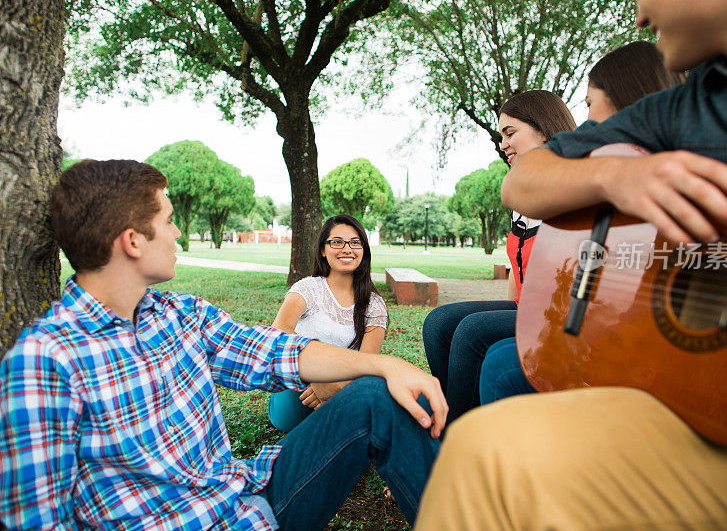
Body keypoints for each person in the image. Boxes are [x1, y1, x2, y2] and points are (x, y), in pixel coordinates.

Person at [415, 0, 727, 528]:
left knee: (492, 359)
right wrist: (619, 175)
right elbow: (523, 181)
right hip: (722, 420)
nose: (640, 13)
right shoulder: (695, 105)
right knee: (483, 450)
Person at [0, 159, 447, 531]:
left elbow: (275, 350)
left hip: (247, 498)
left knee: (374, 395)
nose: (178, 234)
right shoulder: (45, 363)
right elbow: (39, 520)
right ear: (132, 241)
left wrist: (386, 364)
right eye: (169, 221)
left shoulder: (181, 314)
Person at [479, 40, 683, 406]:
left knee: (499, 363)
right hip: (595, 327)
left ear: (626, 98)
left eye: (590, 103)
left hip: (643, 354)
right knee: (470, 335)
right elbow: (516, 187)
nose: (586, 119)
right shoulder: (601, 162)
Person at [421, 90, 576, 425]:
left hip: (560, 317)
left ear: (545, 130)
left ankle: (454, 438)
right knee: (438, 323)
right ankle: (455, 411)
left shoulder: (574, 189)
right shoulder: (523, 193)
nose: (503, 144)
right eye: (500, 136)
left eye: (510, 133)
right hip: (525, 307)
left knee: (472, 331)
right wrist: (503, 311)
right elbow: (516, 273)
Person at [268, 214, 388, 431]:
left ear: (364, 250)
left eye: (355, 243)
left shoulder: (375, 304)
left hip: (345, 388)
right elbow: (278, 330)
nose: (347, 249)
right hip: (299, 386)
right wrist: (317, 378)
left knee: (374, 392)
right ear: (323, 250)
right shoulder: (308, 288)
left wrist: (333, 386)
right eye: (337, 242)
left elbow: (366, 363)